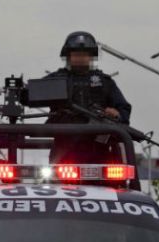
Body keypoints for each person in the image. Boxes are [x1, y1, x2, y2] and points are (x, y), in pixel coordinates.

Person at [43, 31, 132, 164]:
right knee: (57, 182)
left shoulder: (104, 82)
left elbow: (124, 109)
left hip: (99, 150)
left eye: (84, 54)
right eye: (76, 54)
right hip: (63, 150)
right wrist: (22, 92)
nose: (80, 57)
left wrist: (116, 114)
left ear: (91, 56)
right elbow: (32, 94)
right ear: (68, 56)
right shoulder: (56, 80)